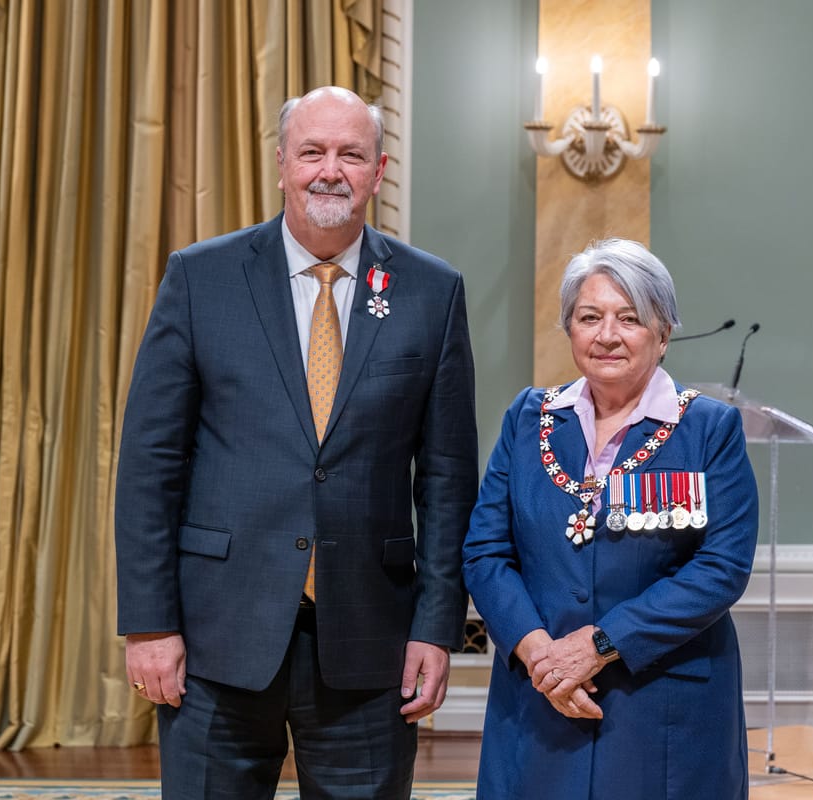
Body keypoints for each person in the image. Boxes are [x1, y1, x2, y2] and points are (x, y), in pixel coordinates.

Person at [115, 86, 478, 800]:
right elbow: (149, 465)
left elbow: (446, 481)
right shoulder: (201, 277)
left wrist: (436, 630)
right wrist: (149, 625)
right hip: (216, 638)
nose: (329, 170)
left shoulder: (433, 291)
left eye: (351, 154)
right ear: (282, 163)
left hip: (370, 645)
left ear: (379, 171)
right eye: (312, 151)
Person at [462, 238, 758, 799]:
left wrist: (598, 645)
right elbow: (485, 553)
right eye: (589, 317)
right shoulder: (528, 418)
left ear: (663, 333)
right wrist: (540, 655)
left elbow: (721, 568)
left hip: (663, 706)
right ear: (569, 328)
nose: (607, 335)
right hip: (541, 697)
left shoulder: (709, 429)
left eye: (630, 318)